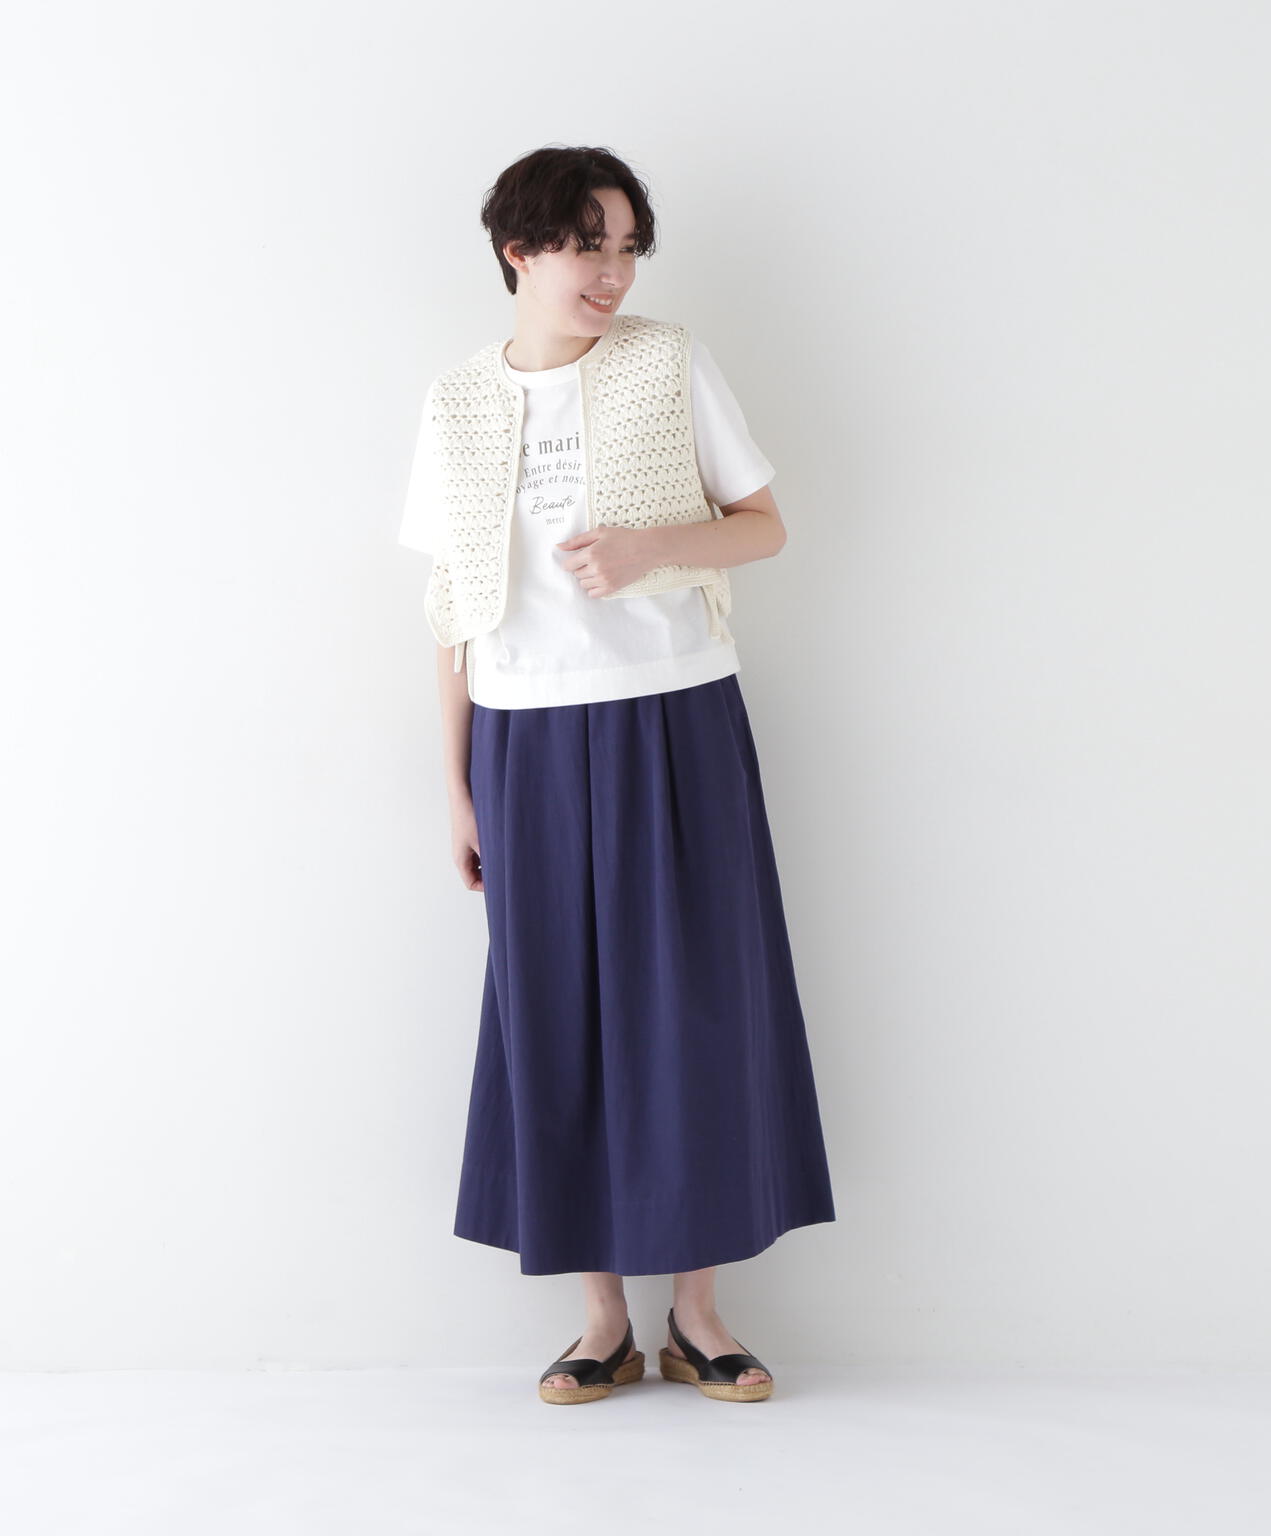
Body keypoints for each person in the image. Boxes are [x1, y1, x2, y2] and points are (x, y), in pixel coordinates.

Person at [398, 145, 835, 1405]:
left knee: (695, 1006)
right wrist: (457, 785)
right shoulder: (456, 404)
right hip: (522, 738)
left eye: (627, 246)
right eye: (586, 245)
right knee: (554, 1016)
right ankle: (600, 1320)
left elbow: (764, 524)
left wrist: (649, 548)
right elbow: (451, 609)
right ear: (517, 251)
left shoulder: (667, 362)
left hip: (674, 716)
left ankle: (697, 1314)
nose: (611, 272)